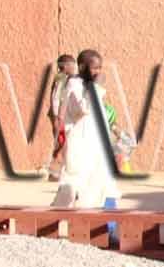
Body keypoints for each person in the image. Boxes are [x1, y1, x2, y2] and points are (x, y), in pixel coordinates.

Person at [51, 49, 123, 212]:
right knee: (74, 183)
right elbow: (81, 110)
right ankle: (55, 220)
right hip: (79, 144)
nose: (98, 72)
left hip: (96, 143)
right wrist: (95, 87)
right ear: (82, 67)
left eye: (100, 68)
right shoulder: (74, 84)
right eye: (94, 68)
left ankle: (111, 228)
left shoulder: (90, 86)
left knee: (105, 183)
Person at [42, 53, 78, 178]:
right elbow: (55, 98)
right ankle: (54, 172)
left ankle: (57, 172)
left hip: (63, 117)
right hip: (59, 117)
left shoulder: (67, 78)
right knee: (62, 144)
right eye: (72, 65)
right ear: (65, 66)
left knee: (64, 144)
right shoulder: (61, 78)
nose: (74, 67)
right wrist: (57, 117)